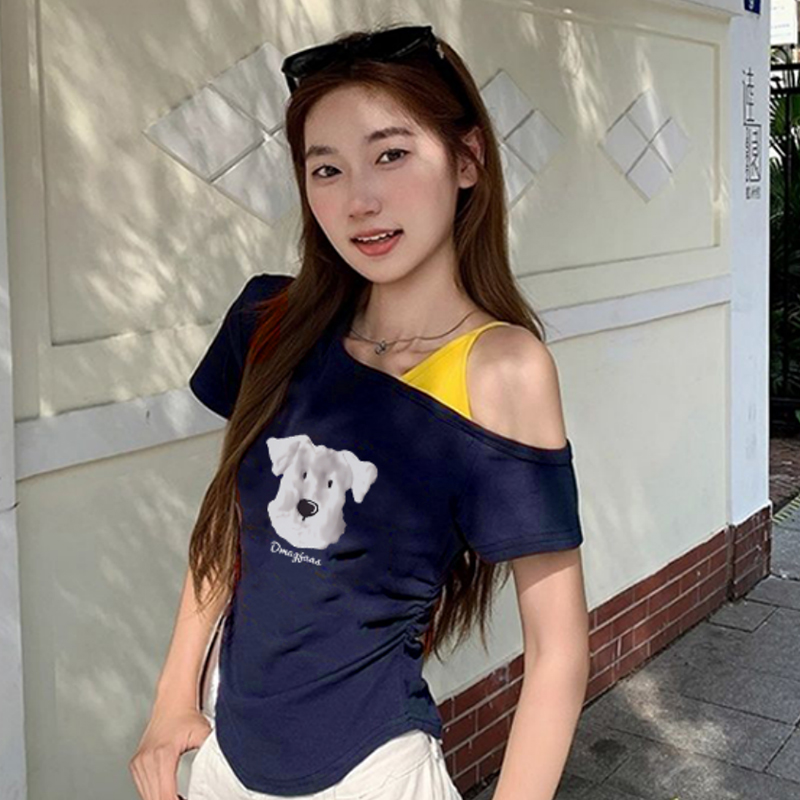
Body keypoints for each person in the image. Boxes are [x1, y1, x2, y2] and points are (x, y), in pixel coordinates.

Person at [129, 22, 589, 800]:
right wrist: (173, 699)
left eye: (391, 154)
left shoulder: (501, 370)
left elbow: (559, 650)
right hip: (221, 756)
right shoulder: (269, 321)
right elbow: (231, 528)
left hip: (370, 773)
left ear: (467, 158)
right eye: (327, 169)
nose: (360, 200)